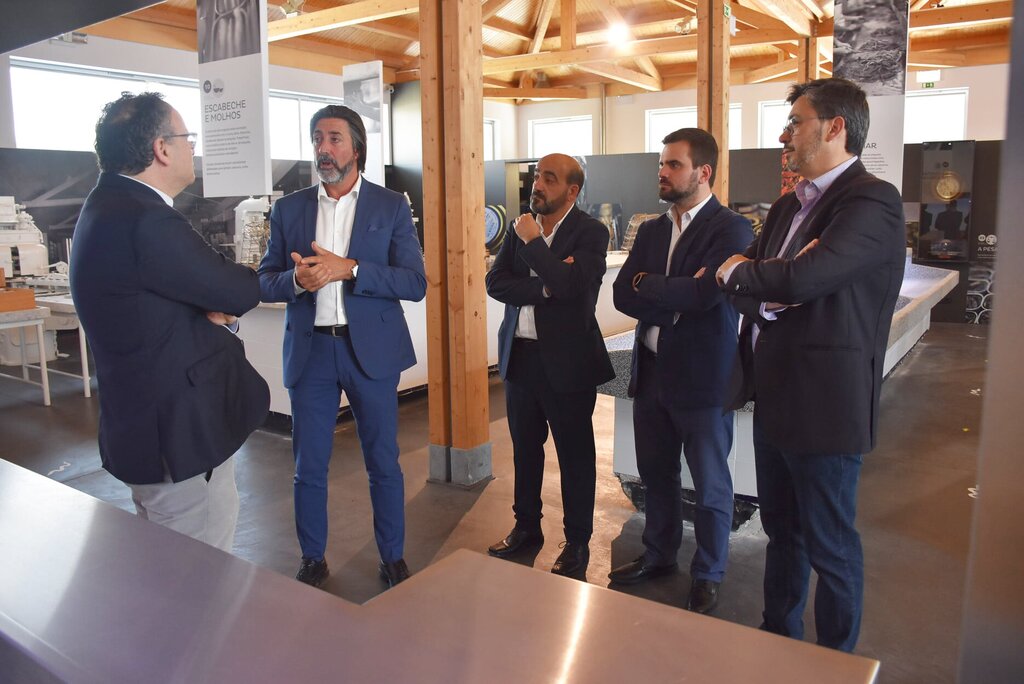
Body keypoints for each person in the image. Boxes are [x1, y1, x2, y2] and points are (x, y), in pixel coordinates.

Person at [716, 78, 905, 652]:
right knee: (782, 534)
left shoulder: (870, 201)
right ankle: (779, 642)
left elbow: (799, 278)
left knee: (830, 545)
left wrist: (758, 278)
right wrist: (768, 287)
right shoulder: (786, 207)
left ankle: (836, 663)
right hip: (774, 398)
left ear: (835, 127)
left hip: (826, 407)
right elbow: (761, 284)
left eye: (795, 122)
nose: (784, 135)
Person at [71, 92, 269, 552]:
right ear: (161, 148)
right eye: (187, 137)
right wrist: (222, 297)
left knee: (171, 564)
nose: (192, 147)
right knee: (199, 572)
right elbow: (237, 290)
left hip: (144, 426)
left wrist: (209, 304)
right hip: (178, 436)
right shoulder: (147, 219)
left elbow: (158, 304)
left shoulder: (105, 206)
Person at [257, 105, 426, 589]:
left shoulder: (390, 206)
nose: (323, 149)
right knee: (308, 466)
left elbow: (414, 282)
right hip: (311, 354)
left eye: (334, 138)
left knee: (383, 463)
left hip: (370, 353)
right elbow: (265, 281)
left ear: (356, 148)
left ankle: (392, 557)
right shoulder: (289, 210)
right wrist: (296, 280)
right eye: (317, 138)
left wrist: (349, 269)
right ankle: (313, 557)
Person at [609, 128, 752, 614]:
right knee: (657, 475)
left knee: (710, 484)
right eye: (661, 164)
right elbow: (621, 293)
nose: (662, 172)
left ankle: (708, 573)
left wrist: (651, 286)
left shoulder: (731, 230)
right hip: (651, 374)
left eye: (673, 164)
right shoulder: (652, 230)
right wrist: (670, 295)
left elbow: (705, 295)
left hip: (703, 380)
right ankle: (659, 555)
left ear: (703, 172)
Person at [485, 154, 615, 580]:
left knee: (575, 456)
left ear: (572, 191)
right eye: (538, 175)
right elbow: (496, 283)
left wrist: (535, 247)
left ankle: (577, 542)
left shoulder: (590, 232)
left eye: (550, 178)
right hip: (520, 357)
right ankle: (526, 528)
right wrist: (544, 286)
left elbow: (573, 288)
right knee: (525, 450)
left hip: (568, 362)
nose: (538, 184)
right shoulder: (522, 225)